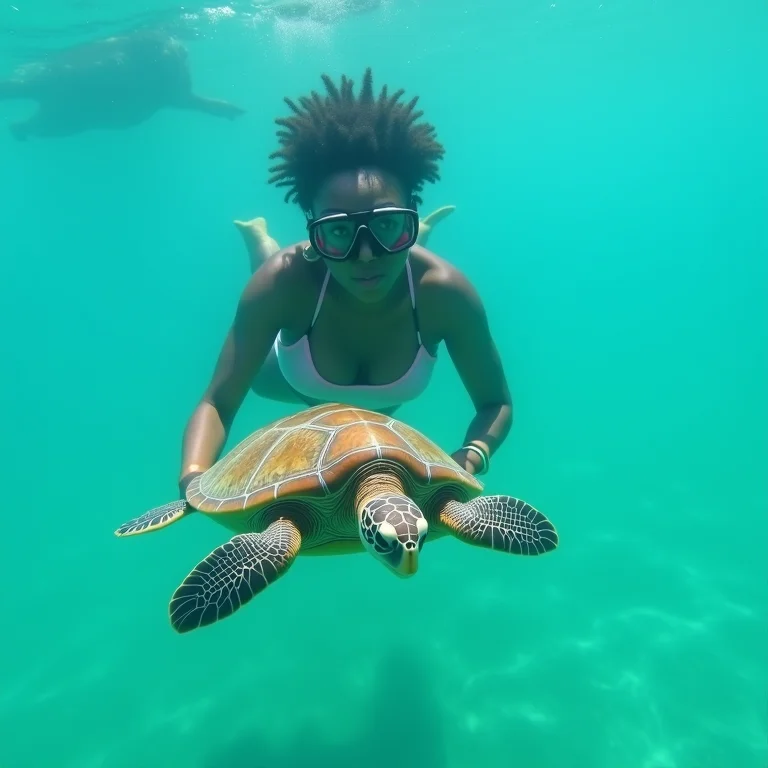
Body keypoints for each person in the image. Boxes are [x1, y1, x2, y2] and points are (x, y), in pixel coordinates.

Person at [178, 69, 513, 497]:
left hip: (381, 396)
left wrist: (470, 456)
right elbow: (217, 402)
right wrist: (193, 477)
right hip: (284, 378)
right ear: (313, 229)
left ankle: (390, 237)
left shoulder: (445, 293)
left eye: (389, 225)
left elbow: (496, 403)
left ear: (409, 212)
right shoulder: (282, 284)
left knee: (388, 265)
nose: (366, 254)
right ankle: (261, 242)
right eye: (338, 232)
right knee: (275, 272)